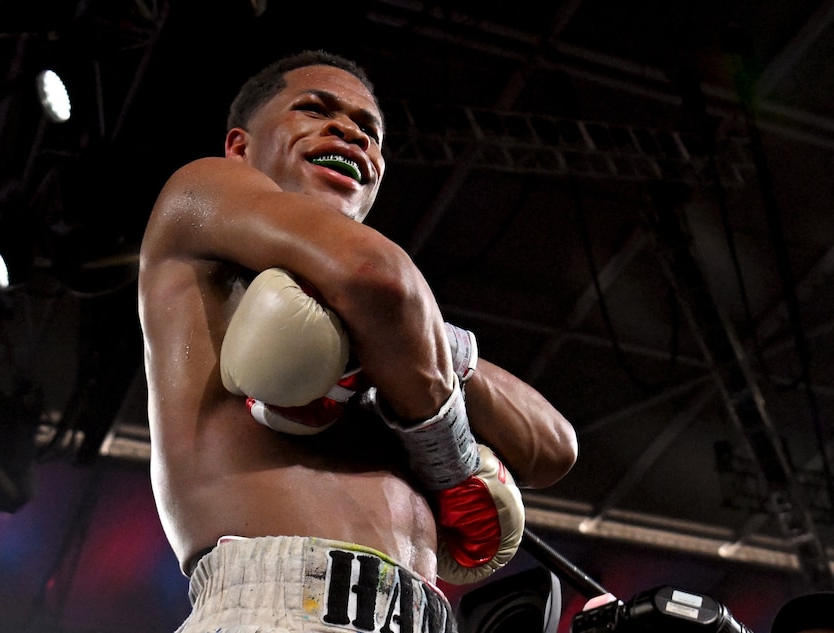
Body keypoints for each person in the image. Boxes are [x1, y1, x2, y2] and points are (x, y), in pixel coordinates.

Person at [137, 49, 578, 633]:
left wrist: (418, 354)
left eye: (369, 131)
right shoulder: (201, 192)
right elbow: (377, 279)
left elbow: (554, 448)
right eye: (313, 110)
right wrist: (449, 460)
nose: (348, 130)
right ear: (241, 146)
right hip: (279, 606)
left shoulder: (404, 343)